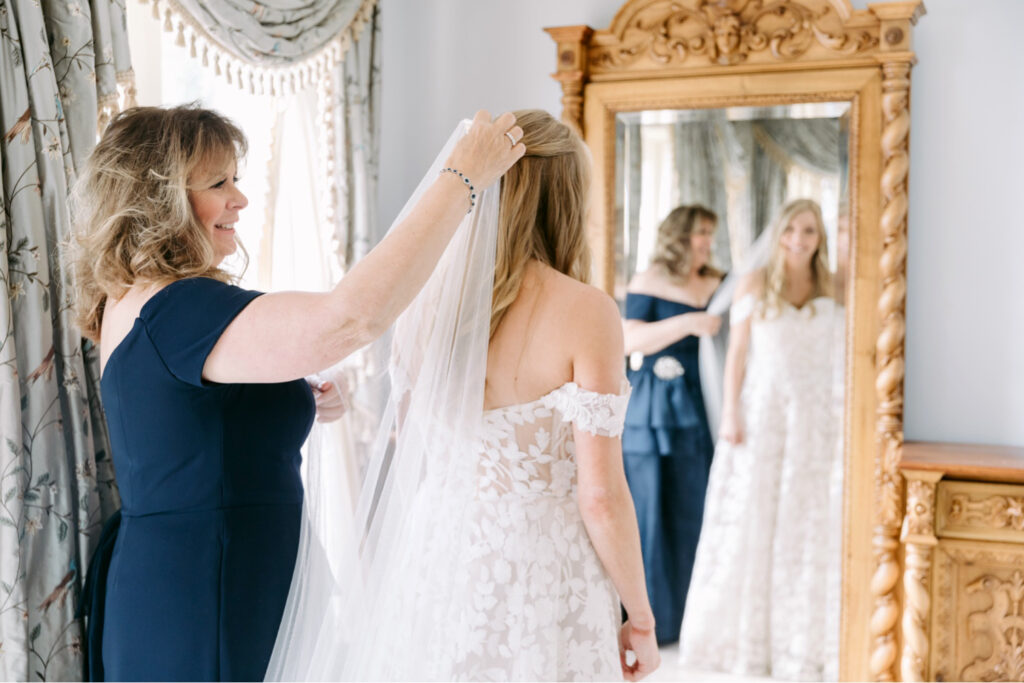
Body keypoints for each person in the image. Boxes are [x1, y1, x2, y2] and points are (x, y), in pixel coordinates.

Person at [68, 104, 524, 681]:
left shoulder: (138, 297)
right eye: (219, 183)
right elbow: (350, 321)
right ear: (158, 199)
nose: (241, 199)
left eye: (237, 179)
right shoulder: (180, 307)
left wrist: (295, 396)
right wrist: (460, 180)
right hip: (210, 588)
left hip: (193, 573)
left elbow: (187, 426)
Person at [267, 110, 660, 681]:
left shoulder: (423, 301)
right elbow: (600, 497)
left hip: (437, 553)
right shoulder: (586, 311)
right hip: (543, 567)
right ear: (567, 200)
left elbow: (415, 449)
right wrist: (642, 617)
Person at [679, 198, 845, 680]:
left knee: (806, 521)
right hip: (762, 414)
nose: (799, 237)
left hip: (817, 419)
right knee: (751, 516)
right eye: (791, 227)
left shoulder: (834, 286)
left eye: (809, 230)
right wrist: (730, 411)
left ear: (821, 237)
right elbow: (737, 357)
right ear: (778, 233)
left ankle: (801, 639)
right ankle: (741, 639)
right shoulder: (753, 283)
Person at [620, 205, 724, 645]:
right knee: (653, 511)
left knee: (700, 508)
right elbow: (628, 340)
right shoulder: (649, 281)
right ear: (679, 235)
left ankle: (700, 619)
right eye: (701, 232)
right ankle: (656, 619)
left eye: (710, 233)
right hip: (656, 409)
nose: (707, 242)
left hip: (708, 402)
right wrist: (688, 323)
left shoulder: (722, 282)